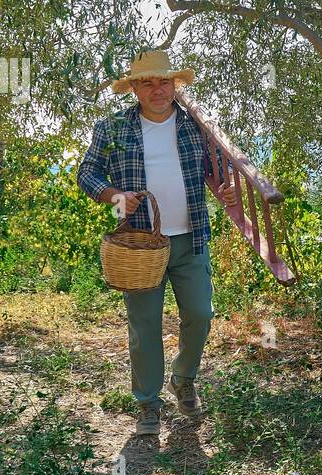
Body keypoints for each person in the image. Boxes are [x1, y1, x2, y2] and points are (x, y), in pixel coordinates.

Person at [77, 49, 237, 437]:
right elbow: (87, 173)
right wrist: (114, 195)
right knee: (144, 325)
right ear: (133, 88)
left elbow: (219, 169)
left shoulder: (197, 126)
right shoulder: (112, 129)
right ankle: (147, 402)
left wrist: (226, 188)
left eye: (164, 81)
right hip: (140, 246)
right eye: (147, 82)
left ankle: (183, 378)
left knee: (201, 313)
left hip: (191, 238)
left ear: (174, 85)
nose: (157, 89)